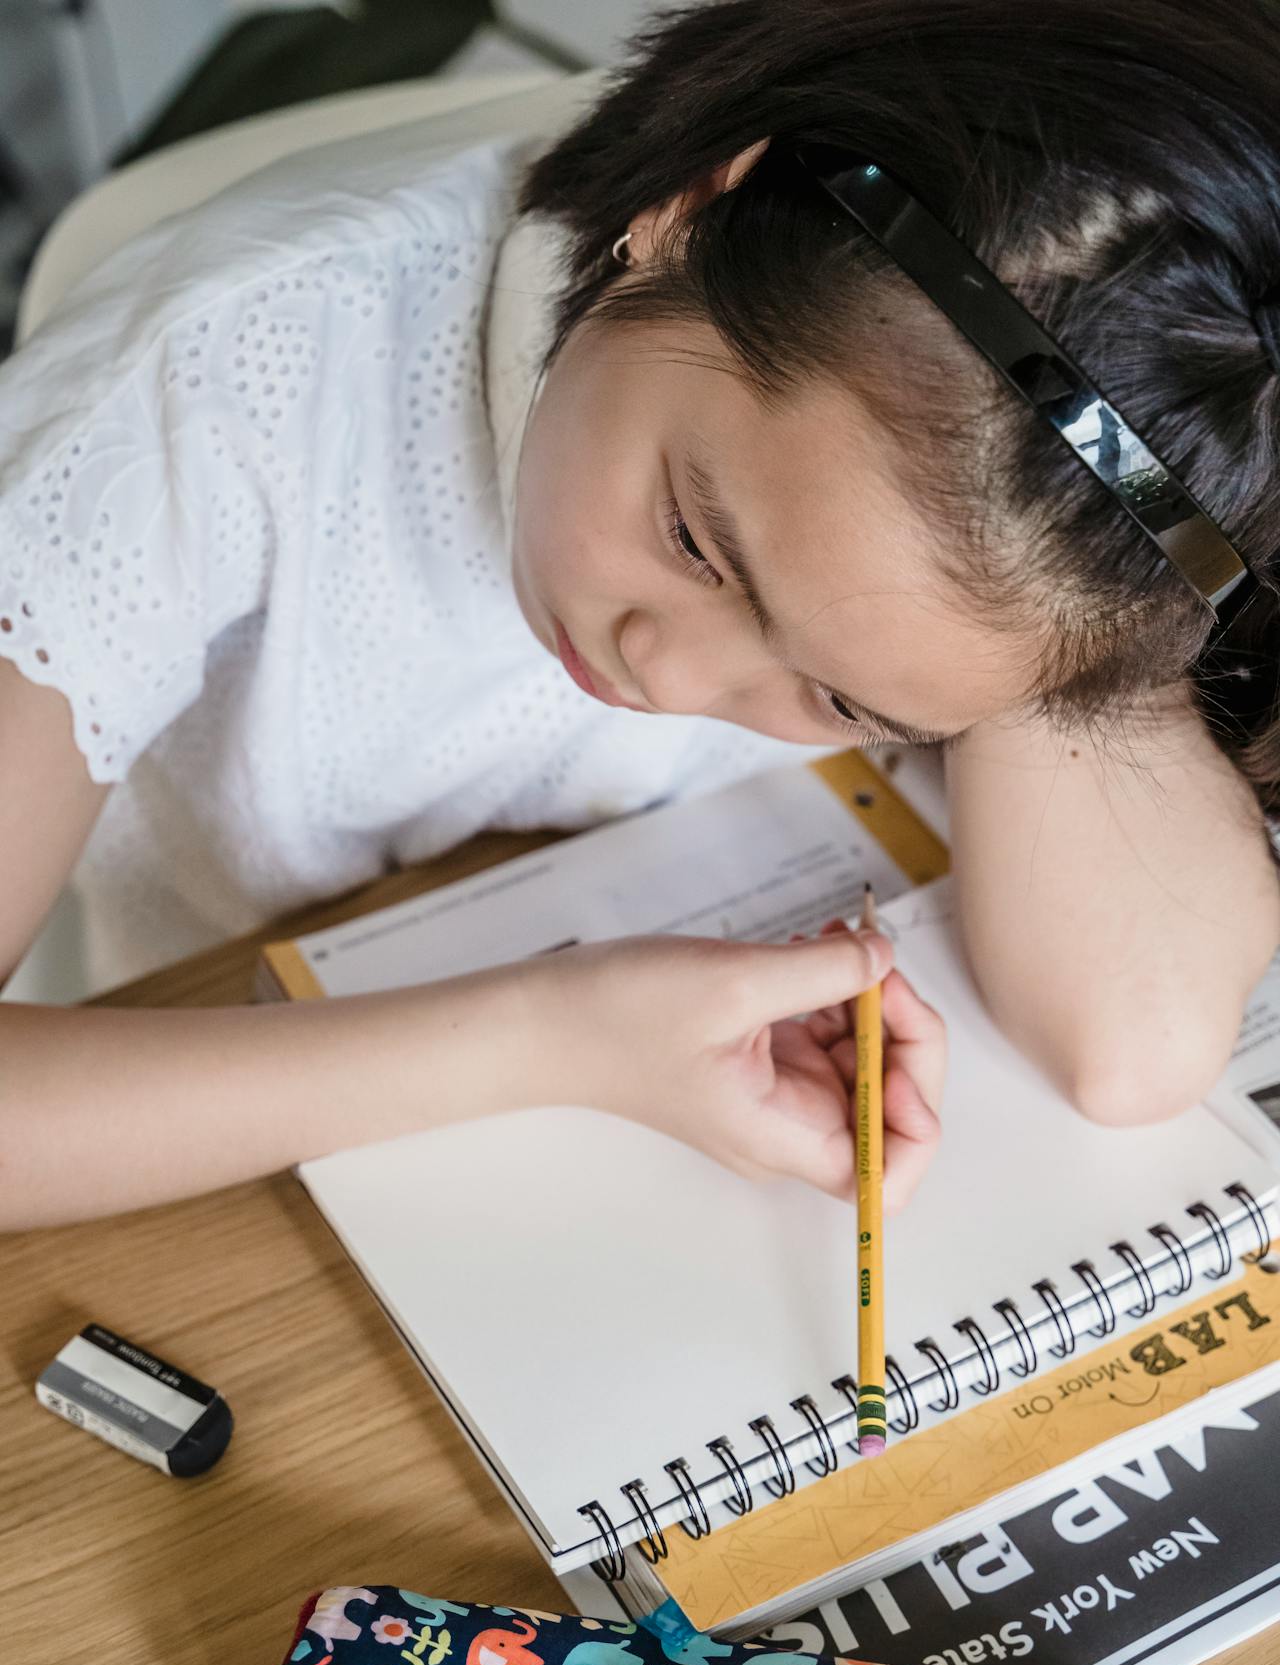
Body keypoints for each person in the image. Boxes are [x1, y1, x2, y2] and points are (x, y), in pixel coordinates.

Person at [1, 0, 1276, 1232]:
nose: (666, 674)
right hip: (181, 1079)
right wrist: (548, 1039)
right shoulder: (202, 391)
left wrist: (1060, 558)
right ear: (689, 212)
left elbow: (1133, 1043)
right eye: (692, 539)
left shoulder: (1019, 543)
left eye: (838, 700)